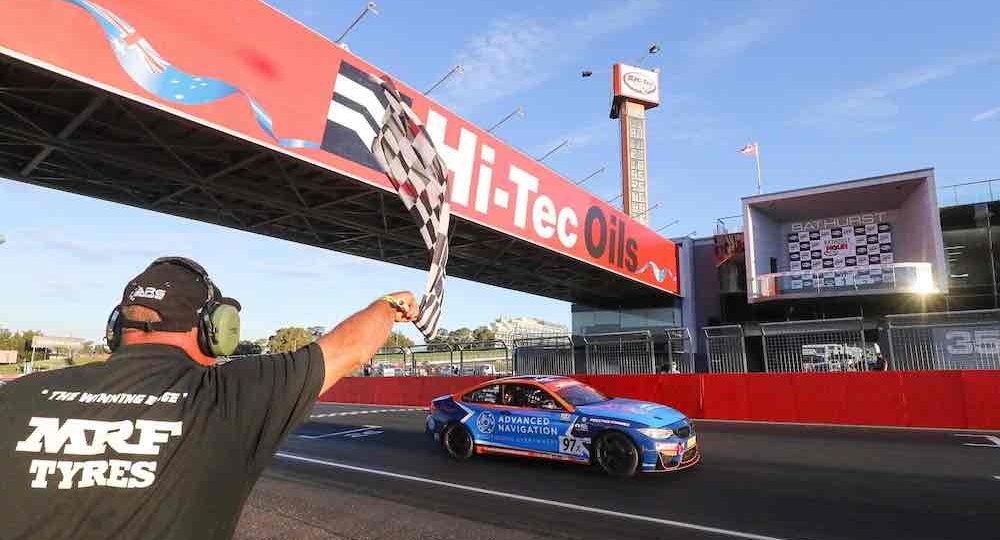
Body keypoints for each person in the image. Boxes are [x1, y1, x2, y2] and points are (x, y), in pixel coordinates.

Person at [0, 256, 419, 540]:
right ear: (214, 329)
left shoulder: (14, 398)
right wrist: (388, 305)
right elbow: (350, 347)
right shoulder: (231, 395)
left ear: (117, 325)